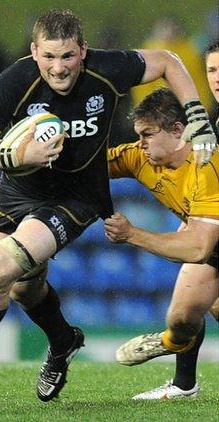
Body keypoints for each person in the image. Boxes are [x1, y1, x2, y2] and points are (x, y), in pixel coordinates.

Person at [0, 9, 216, 403]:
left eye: (68, 57)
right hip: (18, 191)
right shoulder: (15, 82)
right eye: (50, 57)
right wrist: (16, 154)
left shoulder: (106, 70)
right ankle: (63, 341)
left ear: (83, 50)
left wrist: (196, 115)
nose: (59, 69)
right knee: (23, 287)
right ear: (34, 52)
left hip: (74, 196)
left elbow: (165, 61)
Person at [105, 85, 218, 399]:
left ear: (178, 131)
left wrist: (132, 234)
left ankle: (168, 345)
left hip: (207, 244)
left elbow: (197, 249)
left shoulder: (207, 165)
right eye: (139, 134)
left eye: (148, 134)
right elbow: (89, 167)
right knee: (181, 319)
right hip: (212, 246)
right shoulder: (141, 158)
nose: (140, 143)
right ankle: (183, 385)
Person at [131, 15, 213, 113]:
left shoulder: (190, 51)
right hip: (159, 114)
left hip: (190, 109)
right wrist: (147, 111)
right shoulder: (146, 53)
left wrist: (202, 106)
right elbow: (141, 88)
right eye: (164, 28)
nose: (168, 32)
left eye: (170, 27)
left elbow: (200, 81)